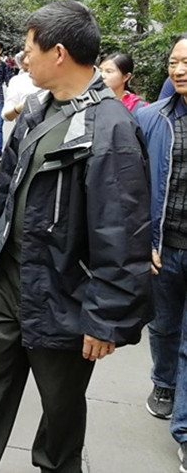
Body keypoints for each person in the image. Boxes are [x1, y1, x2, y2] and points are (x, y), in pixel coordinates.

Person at [0, 0, 152, 473]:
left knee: (60, 415)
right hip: (8, 284)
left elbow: (122, 231)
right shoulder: (37, 109)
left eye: (29, 48)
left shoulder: (111, 126)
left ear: (58, 53)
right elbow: (6, 192)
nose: (23, 58)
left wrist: (105, 317)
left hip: (65, 294)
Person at [136, 34, 187, 450]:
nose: (178, 70)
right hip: (163, 245)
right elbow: (135, 184)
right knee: (164, 325)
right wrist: (143, 240)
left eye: (186, 62)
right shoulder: (153, 118)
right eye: (173, 62)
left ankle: (184, 431)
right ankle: (164, 382)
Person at [2, 48, 40, 122]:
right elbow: (6, 116)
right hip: (25, 126)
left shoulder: (55, 80)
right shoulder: (17, 81)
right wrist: (21, 107)